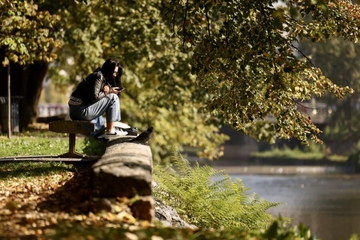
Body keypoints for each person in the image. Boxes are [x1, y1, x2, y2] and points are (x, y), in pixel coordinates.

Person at [68, 58, 127, 139]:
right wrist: (110, 91)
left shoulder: (99, 76)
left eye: (116, 73)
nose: (115, 75)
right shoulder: (98, 76)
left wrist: (106, 88)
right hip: (80, 111)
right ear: (108, 70)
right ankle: (110, 131)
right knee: (113, 97)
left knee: (113, 96)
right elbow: (94, 97)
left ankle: (111, 128)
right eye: (114, 72)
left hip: (76, 110)